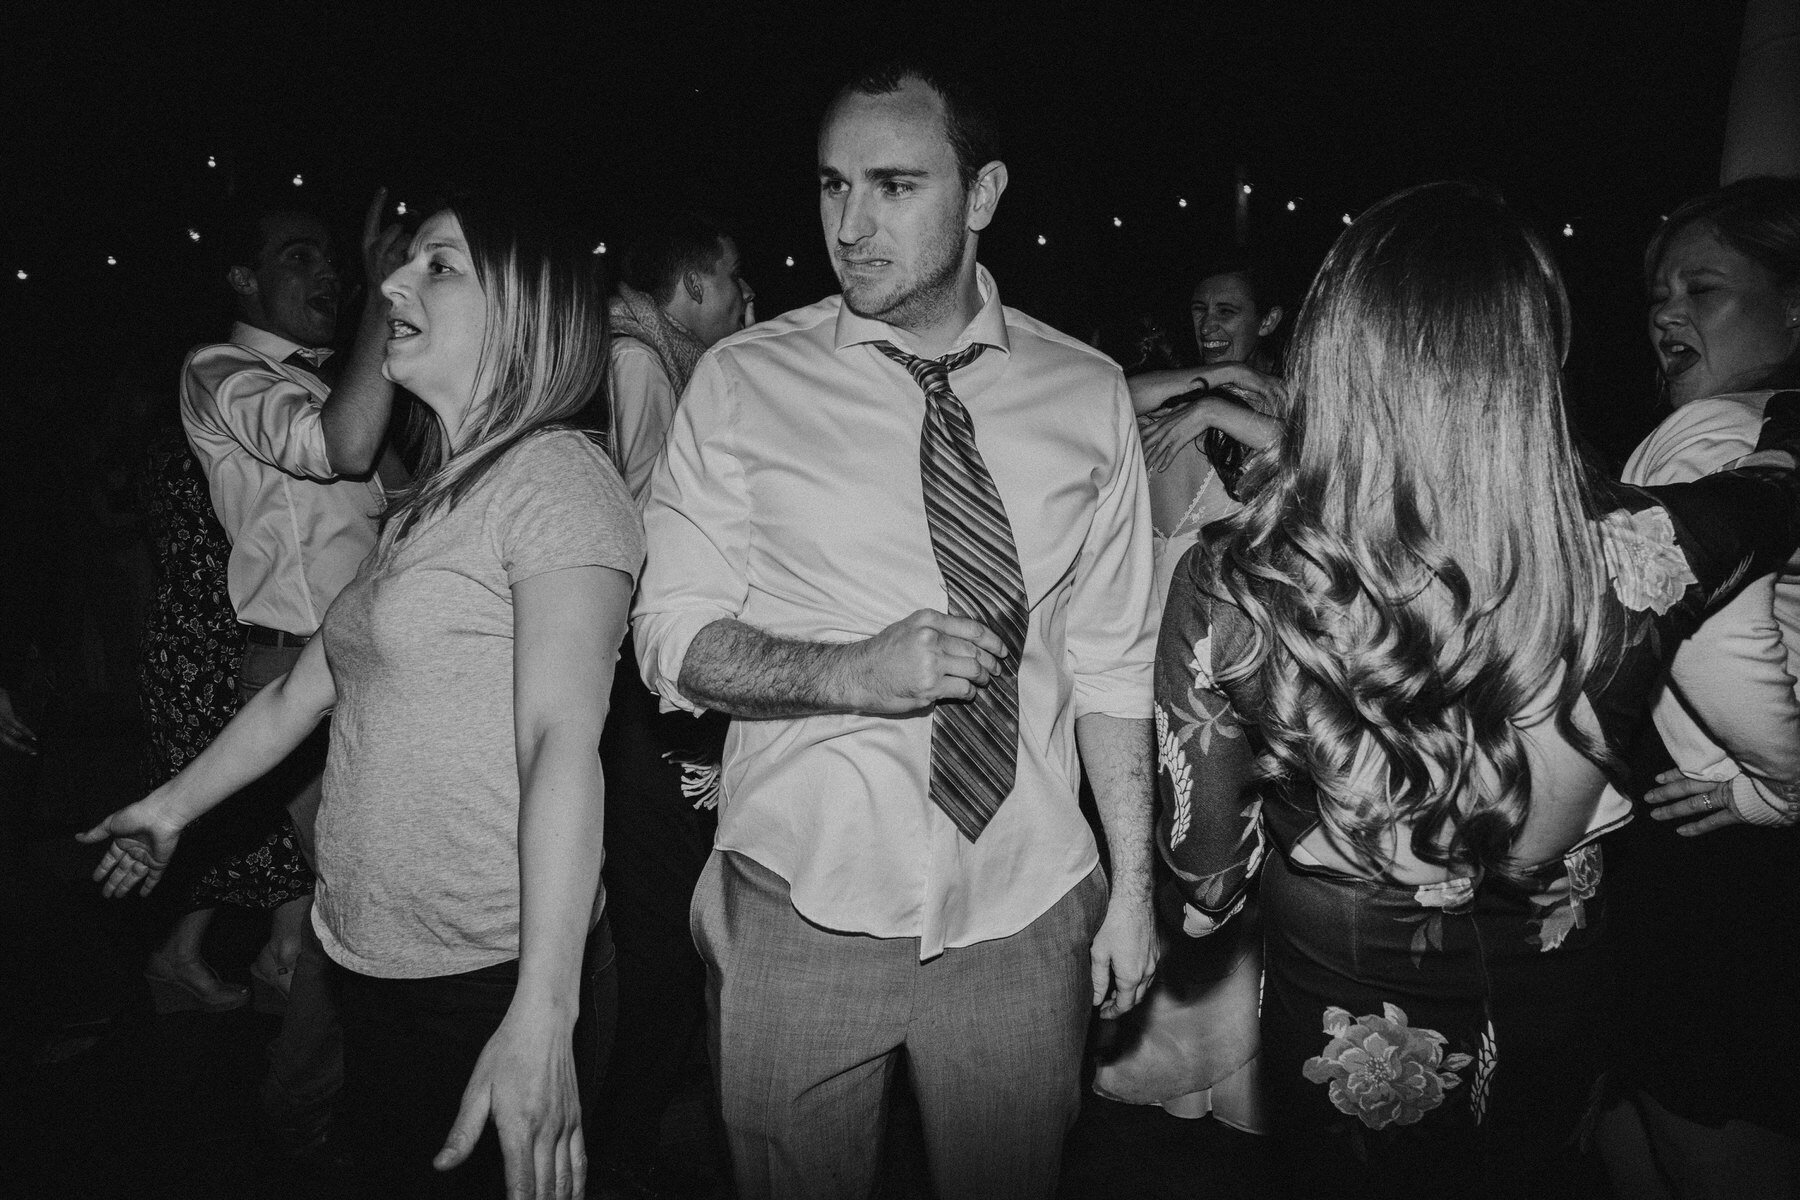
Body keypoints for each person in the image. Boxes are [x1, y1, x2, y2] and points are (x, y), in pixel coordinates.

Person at [1153, 182, 1800, 1199]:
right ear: (1541, 357)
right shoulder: (1643, 550)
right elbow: (1774, 491)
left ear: (1334, 353)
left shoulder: (1238, 580)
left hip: (1348, 1045)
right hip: (1560, 1021)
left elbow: (1202, 887)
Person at [632, 58, 1161, 1200]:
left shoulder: (1087, 393)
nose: (849, 226)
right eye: (831, 187)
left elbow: (1114, 661)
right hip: (798, 901)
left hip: (1025, 904)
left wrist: (1131, 890)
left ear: (981, 195)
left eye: (893, 186)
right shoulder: (742, 381)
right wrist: (851, 673)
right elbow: (668, 637)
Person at [82, 193, 643, 1200]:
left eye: (438, 266)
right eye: (404, 263)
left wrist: (542, 1013)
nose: (389, 284)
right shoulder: (429, 499)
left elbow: (563, 742)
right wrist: (166, 812)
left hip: (485, 978)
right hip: (378, 967)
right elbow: (297, 697)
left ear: (523, 310)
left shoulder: (554, 477)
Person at [179, 190, 406, 1156]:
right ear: (243, 278)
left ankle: (315, 1106)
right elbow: (344, 449)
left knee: (357, 898)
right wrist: (387, 304)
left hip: (373, 665)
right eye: (301, 258)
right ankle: (305, 1114)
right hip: (296, 677)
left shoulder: (328, 376)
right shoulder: (216, 368)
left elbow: (399, 487)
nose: (328, 276)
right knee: (366, 895)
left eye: (332, 262)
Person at [1596, 173, 1800, 1199]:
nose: (1667, 311)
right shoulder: (1774, 423)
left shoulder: (1715, 431)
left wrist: (1778, 783)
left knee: (1705, 1133)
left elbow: (1711, 623)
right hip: (1727, 837)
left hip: (1709, 841)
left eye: (1705, 287)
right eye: (1659, 293)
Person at [593, 212, 750, 1195]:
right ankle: (626, 1139)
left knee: (664, 912)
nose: (743, 302)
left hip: (640, 687)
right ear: (689, 288)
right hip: (643, 687)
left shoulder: (639, 359)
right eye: (731, 283)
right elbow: (643, 531)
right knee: (661, 922)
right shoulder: (639, 366)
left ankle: (652, 1112)